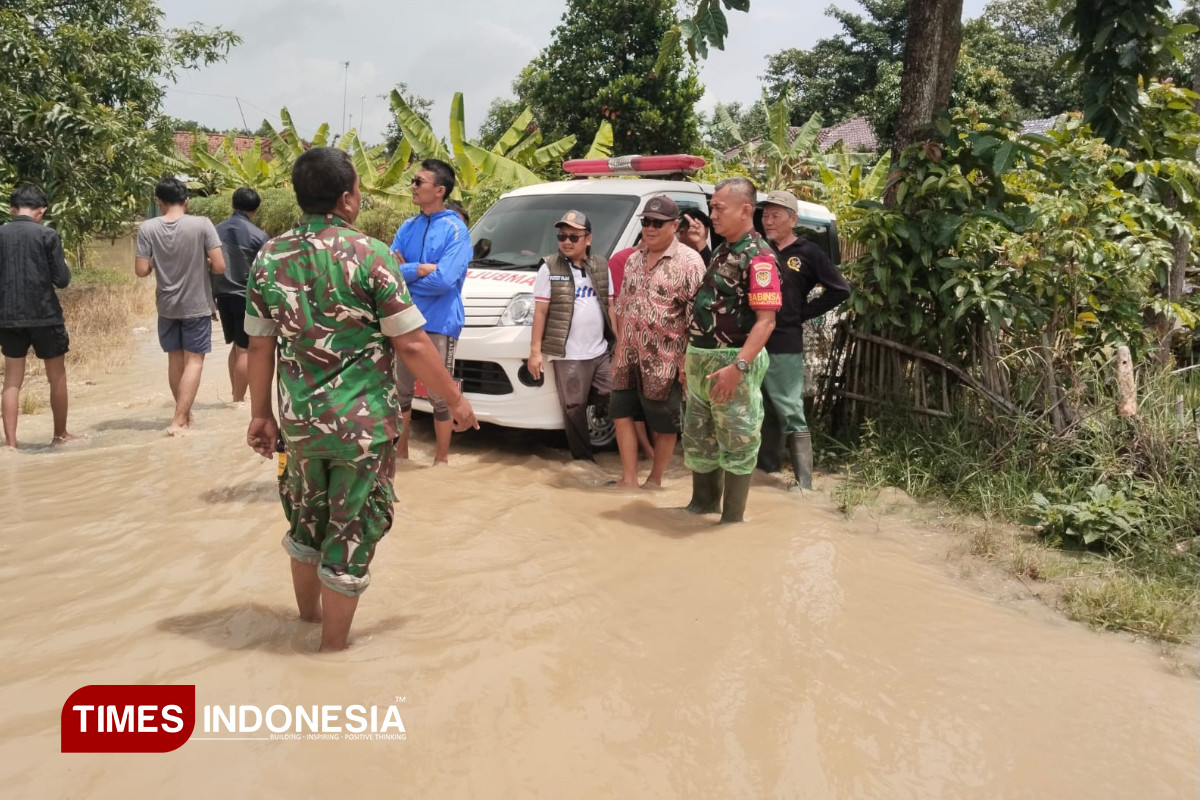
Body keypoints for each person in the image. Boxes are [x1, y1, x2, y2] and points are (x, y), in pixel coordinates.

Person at [244, 147, 477, 652]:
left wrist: (260, 415)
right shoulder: (370, 255)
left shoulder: (269, 256)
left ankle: (304, 624)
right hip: (361, 430)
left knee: (306, 525)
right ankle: (329, 658)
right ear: (347, 198)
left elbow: (259, 346)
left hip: (299, 427)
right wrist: (455, 400)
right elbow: (413, 343)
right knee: (349, 535)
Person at [682, 177, 782, 523]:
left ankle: (731, 520)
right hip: (701, 362)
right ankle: (701, 506)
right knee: (699, 438)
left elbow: (766, 322)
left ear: (746, 210)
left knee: (738, 439)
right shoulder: (725, 249)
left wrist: (738, 366)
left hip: (731, 365)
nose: (712, 214)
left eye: (718, 208)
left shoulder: (760, 257)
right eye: (711, 207)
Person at [757, 190, 851, 489]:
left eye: (775, 215)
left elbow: (840, 289)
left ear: (792, 219)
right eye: (765, 215)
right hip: (755, 340)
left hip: (785, 340)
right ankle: (766, 472)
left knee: (790, 410)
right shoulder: (758, 250)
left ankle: (805, 485)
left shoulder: (808, 252)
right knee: (766, 409)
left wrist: (800, 313)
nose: (768, 220)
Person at [611, 195, 706, 488]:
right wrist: (618, 347)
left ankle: (655, 479)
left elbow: (697, 319)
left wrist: (687, 363)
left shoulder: (690, 262)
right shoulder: (633, 260)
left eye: (657, 223)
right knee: (620, 413)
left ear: (675, 226)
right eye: (646, 222)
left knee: (665, 423)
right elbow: (622, 306)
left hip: (666, 358)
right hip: (628, 354)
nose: (650, 228)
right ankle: (628, 479)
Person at [389, 159, 471, 465]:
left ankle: (441, 461)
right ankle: (401, 455)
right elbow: (388, 271)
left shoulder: (456, 230)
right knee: (400, 393)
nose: (412, 186)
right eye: (412, 180)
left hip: (439, 321)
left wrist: (406, 273)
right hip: (402, 319)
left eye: (418, 182)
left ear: (439, 190)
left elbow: (445, 281)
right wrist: (418, 269)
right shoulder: (407, 226)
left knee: (441, 394)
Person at [134, 177, 226, 435]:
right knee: (194, 361)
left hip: (167, 306)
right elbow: (219, 266)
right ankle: (178, 420)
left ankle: (185, 416)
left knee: (175, 359)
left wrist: (156, 262)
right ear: (187, 201)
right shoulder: (202, 224)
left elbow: (141, 270)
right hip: (196, 304)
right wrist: (201, 263)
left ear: (159, 202)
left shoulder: (147, 228)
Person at [527, 210, 614, 461]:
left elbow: (611, 306)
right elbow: (541, 311)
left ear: (588, 239)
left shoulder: (601, 265)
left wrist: (619, 343)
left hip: (600, 351)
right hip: (569, 355)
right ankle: (584, 463)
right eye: (562, 236)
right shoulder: (550, 268)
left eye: (573, 237)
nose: (566, 241)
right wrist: (535, 352)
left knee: (616, 397)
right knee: (574, 411)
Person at [0, 185, 78, 448]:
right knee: (56, 375)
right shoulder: (47, 234)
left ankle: (11, 443)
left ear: (12, 210)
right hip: (45, 315)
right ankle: (60, 435)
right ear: (42, 211)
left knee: (12, 379)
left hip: (8, 316)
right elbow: (62, 280)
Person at [213, 187, 269, 404]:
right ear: (255, 209)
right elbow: (266, 271)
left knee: (236, 347)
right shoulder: (259, 235)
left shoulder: (215, 231)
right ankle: (238, 401)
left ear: (233, 204)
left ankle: (236, 396)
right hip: (246, 297)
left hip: (222, 295)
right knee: (244, 349)